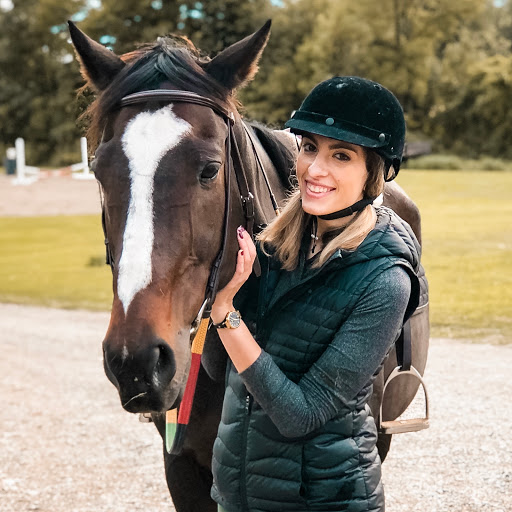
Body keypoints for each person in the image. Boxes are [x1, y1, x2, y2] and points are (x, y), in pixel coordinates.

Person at [209, 76, 421, 512]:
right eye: (309, 148)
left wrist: (226, 313)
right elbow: (219, 371)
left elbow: (300, 414)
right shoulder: (270, 250)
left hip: (325, 500)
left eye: (340, 156)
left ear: (374, 175)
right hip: (241, 495)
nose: (314, 169)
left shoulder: (386, 279)